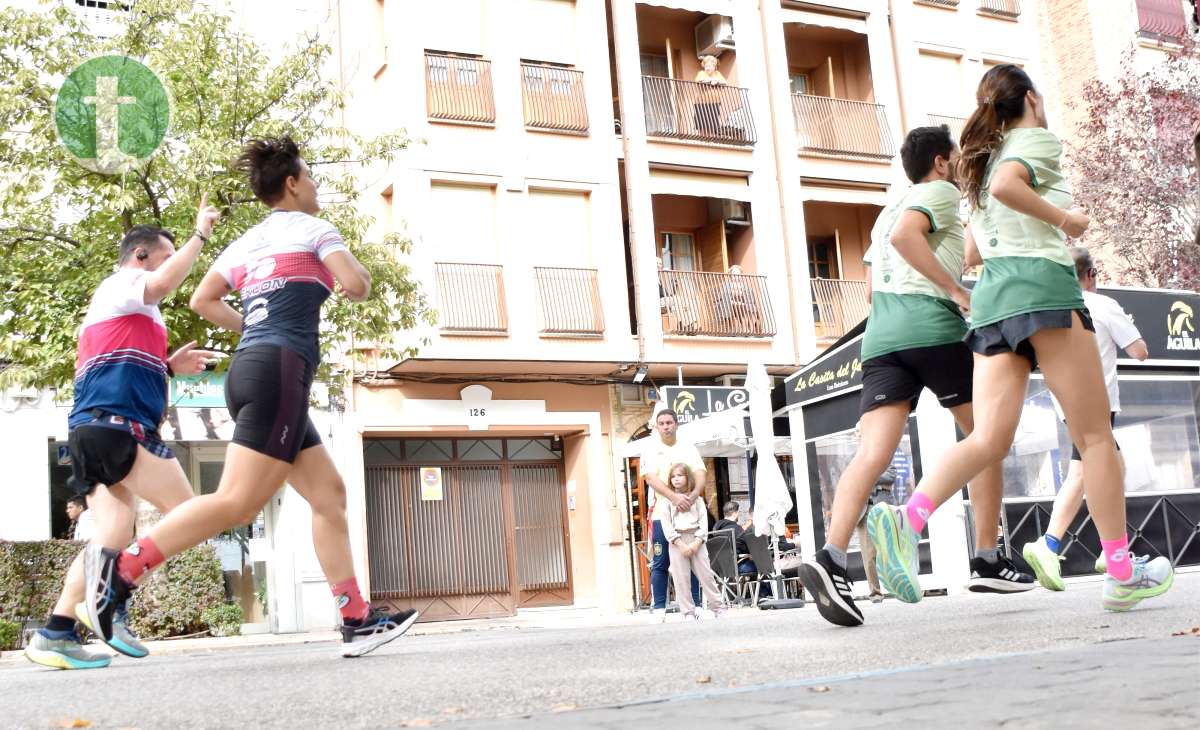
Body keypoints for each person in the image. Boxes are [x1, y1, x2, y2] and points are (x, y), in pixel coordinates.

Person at [82, 136, 418, 659]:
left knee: (329, 495)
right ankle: (121, 574)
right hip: (280, 371)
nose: (315, 186)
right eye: (310, 178)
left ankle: (356, 617)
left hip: (255, 370)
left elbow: (202, 298)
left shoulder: (246, 243)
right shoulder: (314, 229)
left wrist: (252, 331)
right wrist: (338, 274)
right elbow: (357, 284)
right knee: (237, 502)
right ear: (291, 183)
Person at [866, 65, 1173, 613]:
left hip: (992, 302)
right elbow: (1013, 187)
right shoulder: (1031, 140)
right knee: (1096, 438)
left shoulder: (977, 164)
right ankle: (1122, 572)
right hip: (1045, 293)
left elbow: (974, 251)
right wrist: (1066, 220)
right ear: (1031, 98)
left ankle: (909, 520)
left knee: (988, 440)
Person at [800, 125, 1033, 629]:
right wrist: (956, 291)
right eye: (956, 156)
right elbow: (913, 239)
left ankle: (832, 557)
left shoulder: (888, 211)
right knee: (987, 437)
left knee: (872, 453)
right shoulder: (939, 193)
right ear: (942, 163)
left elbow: (876, 279)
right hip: (931, 328)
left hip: (881, 339)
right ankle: (988, 556)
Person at [24, 207, 222, 671]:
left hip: (95, 426)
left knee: (109, 540)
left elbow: (121, 364)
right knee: (192, 512)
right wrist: (199, 235)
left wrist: (169, 366)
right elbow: (162, 283)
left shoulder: (137, 311)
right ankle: (112, 594)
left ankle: (55, 633)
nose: (173, 262)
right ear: (140, 255)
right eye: (166, 255)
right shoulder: (122, 286)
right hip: (117, 427)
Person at [1022, 248, 1149, 590]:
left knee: (1114, 467)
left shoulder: (1051, 308)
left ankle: (1111, 546)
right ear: (1090, 274)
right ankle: (1050, 544)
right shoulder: (1102, 305)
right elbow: (1139, 351)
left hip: (1065, 402)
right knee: (1086, 470)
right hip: (1097, 401)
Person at [641, 408, 703, 618]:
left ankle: (696, 605)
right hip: (660, 514)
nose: (666, 426)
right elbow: (650, 478)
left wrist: (692, 496)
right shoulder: (650, 449)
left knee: (691, 559)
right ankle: (659, 608)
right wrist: (673, 497)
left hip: (687, 514)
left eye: (669, 422)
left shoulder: (688, 447)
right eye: (662, 423)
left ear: (676, 424)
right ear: (657, 427)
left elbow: (700, 473)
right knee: (660, 562)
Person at [662, 464, 727, 620]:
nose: (676, 479)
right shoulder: (667, 501)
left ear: (688, 477)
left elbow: (704, 522)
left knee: (706, 575)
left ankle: (717, 607)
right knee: (681, 579)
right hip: (677, 541)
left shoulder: (697, 500)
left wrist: (697, 542)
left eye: (680, 475)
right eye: (673, 476)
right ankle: (688, 612)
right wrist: (679, 543)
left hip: (697, 539)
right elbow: (666, 525)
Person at [854, 467, 897, 603]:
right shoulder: (857, 461)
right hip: (863, 511)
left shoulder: (884, 457)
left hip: (883, 508)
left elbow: (891, 475)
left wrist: (869, 474)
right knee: (869, 554)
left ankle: (897, 587)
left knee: (889, 549)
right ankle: (875, 592)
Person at [712, 500, 754, 577]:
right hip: (738, 567)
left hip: (720, 570)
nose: (739, 515)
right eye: (738, 512)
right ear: (735, 513)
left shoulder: (715, 532)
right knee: (763, 568)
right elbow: (749, 548)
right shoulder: (737, 529)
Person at [693, 55, 727, 135]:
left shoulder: (717, 73)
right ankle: (703, 140)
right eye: (706, 66)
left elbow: (724, 83)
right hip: (701, 103)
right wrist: (710, 81)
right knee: (702, 124)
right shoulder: (701, 73)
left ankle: (710, 140)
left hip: (715, 103)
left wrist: (717, 81)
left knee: (712, 123)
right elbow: (699, 81)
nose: (707, 68)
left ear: (714, 66)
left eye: (709, 66)